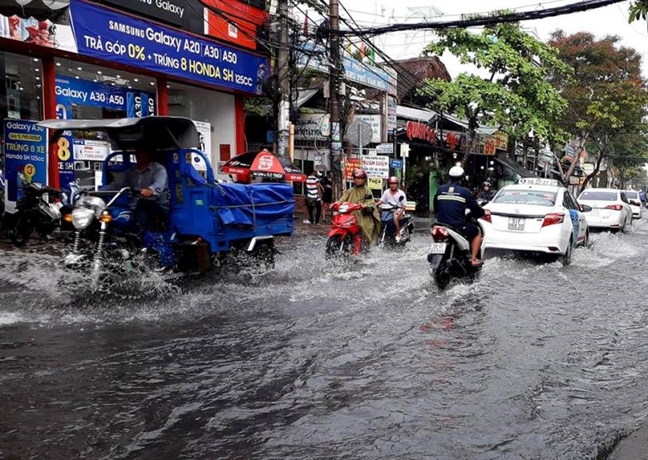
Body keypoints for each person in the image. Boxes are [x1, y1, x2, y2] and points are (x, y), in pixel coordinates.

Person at [103, 147, 169, 237]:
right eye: (137, 152)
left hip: (155, 206)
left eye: (142, 152)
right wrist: (97, 193)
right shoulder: (131, 172)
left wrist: (150, 190)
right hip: (133, 206)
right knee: (109, 213)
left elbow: (158, 185)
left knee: (144, 208)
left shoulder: (159, 169)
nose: (139, 155)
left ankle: (136, 242)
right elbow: (115, 185)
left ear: (149, 155)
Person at [433, 165, 490, 267]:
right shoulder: (465, 192)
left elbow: (436, 208)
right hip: (457, 226)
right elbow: (475, 209)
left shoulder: (440, 189)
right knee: (477, 231)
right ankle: (473, 259)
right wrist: (483, 212)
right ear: (462, 178)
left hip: (440, 224)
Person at [337, 168, 381, 246]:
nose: (357, 180)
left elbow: (370, 201)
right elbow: (342, 199)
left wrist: (365, 205)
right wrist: (336, 203)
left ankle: (367, 246)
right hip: (350, 215)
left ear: (364, 180)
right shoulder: (350, 190)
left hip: (363, 216)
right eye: (356, 178)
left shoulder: (367, 190)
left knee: (364, 226)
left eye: (360, 178)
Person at [377, 176, 407, 242]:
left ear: (397, 184)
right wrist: (375, 204)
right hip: (388, 211)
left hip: (398, 211)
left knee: (395, 217)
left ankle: (398, 233)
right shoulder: (386, 192)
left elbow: (404, 206)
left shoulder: (401, 193)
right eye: (391, 183)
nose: (392, 185)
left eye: (394, 183)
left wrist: (400, 212)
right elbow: (381, 200)